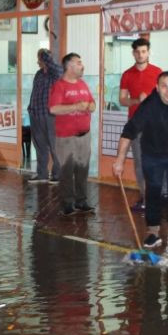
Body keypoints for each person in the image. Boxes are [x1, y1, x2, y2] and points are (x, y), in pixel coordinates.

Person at [111, 71, 168, 250]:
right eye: (164, 86)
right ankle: (152, 232)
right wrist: (120, 159)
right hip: (152, 154)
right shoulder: (149, 105)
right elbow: (129, 131)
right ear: (157, 88)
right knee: (152, 191)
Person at [48, 53, 96, 216]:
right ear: (69, 67)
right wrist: (75, 106)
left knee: (83, 170)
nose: (82, 65)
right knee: (67, 171)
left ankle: (81, 201)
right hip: (66, 138)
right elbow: (53, 109)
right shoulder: (59, 86)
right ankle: (67, 204)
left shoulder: (83, 84)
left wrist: (90, 106)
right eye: (78, 63)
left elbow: (93, 104)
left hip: (84, 136)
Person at [119, 36, 162, 211]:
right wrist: (137, 100)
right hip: (136, 125)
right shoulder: (127, 74)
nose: (140, 54)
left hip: (155, 124)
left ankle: (158, 197)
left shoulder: (158, 72)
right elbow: (122, 100)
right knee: (140, 162)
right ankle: (145, 197)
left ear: (148, 52)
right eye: (137, 52)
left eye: (143, 51)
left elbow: (166, 96)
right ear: (133, 53)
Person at [27, 48, 63, 184]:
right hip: (36, 114)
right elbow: (35, 93)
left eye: (40, 58)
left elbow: (56, 67)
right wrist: (30, 108)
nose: (38, 61)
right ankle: (42, 174)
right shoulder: (39, 74)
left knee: (54, 146)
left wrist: (43, 54)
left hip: (51, 116)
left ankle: (57, 175)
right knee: (40, 146)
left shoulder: (56, 74)